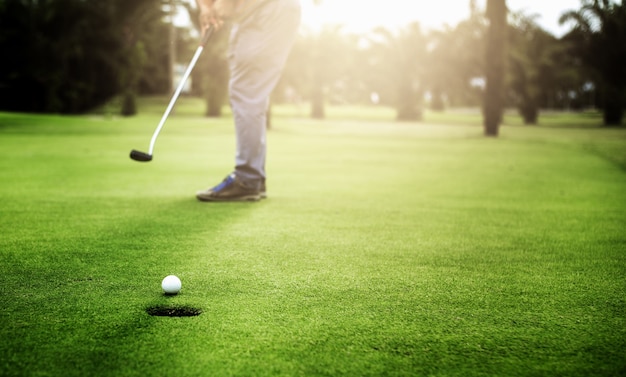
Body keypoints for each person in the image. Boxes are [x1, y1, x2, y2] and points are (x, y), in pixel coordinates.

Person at [194, 0, 301, 202]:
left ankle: (247, 179)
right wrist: (206, 7)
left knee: (247, 90)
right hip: (256, 12)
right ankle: (253, 178)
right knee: (248, 90)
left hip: (266, 9)